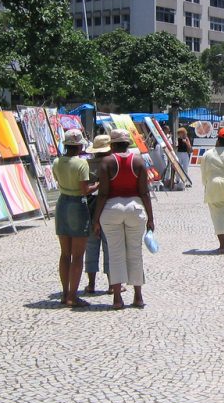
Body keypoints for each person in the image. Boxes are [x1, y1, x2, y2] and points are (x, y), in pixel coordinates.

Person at [93, 129, 154, 310]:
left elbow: (103, 193)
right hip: (135, 208)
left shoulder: (107, 162)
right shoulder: (139, 161)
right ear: (128, 143)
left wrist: (96, 219)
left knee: (115, 253)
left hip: (112, 208)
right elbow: (144, 192)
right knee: (135, 252)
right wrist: (150, 218)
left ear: (111, 144)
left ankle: (117, 298)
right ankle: (138, 296)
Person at [53, 129, 99, 307]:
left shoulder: (57, 162)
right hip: (77, 205)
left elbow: (58, 181)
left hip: (62, 203)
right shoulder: (81, 164)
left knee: (65, 254)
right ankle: (73, 295)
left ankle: (65, 293)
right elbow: (84, 190)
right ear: (79, 146)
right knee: (78, 255)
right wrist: (98, 185)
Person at [84, 134, 112, 295]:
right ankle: (112, 284)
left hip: (90, 210)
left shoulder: (87, 165)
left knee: (91, 247)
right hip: (108, 209)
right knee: (109, 248)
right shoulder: (111, 164)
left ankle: (91, 284)